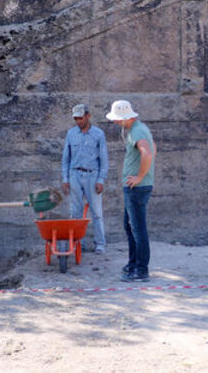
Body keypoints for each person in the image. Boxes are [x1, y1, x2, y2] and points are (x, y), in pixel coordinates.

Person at [106, 100, 155, 282]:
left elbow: (147, 153)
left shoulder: (137, 131)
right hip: (135, 187)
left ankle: (141, 270)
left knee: (137, 229)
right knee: (130, 227)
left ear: (126, 117)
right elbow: (153, 148)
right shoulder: (140, 129)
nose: (116, 123)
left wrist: (140, 176)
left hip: (137, 188)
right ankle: (134, 263)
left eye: (118, 120)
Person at [62, 104, 109, 254]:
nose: (78, 121)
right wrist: (65, 178)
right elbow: (65, 159)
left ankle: (100, 244)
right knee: (75, 211)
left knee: (96, 211)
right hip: (75, 174)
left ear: (88, 116)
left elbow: (104, 159)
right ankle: (77, 243)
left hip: (92, 175)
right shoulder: (71, 134)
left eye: (80, 118)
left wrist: (101, 179)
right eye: (75, 119)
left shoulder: (98, 134)